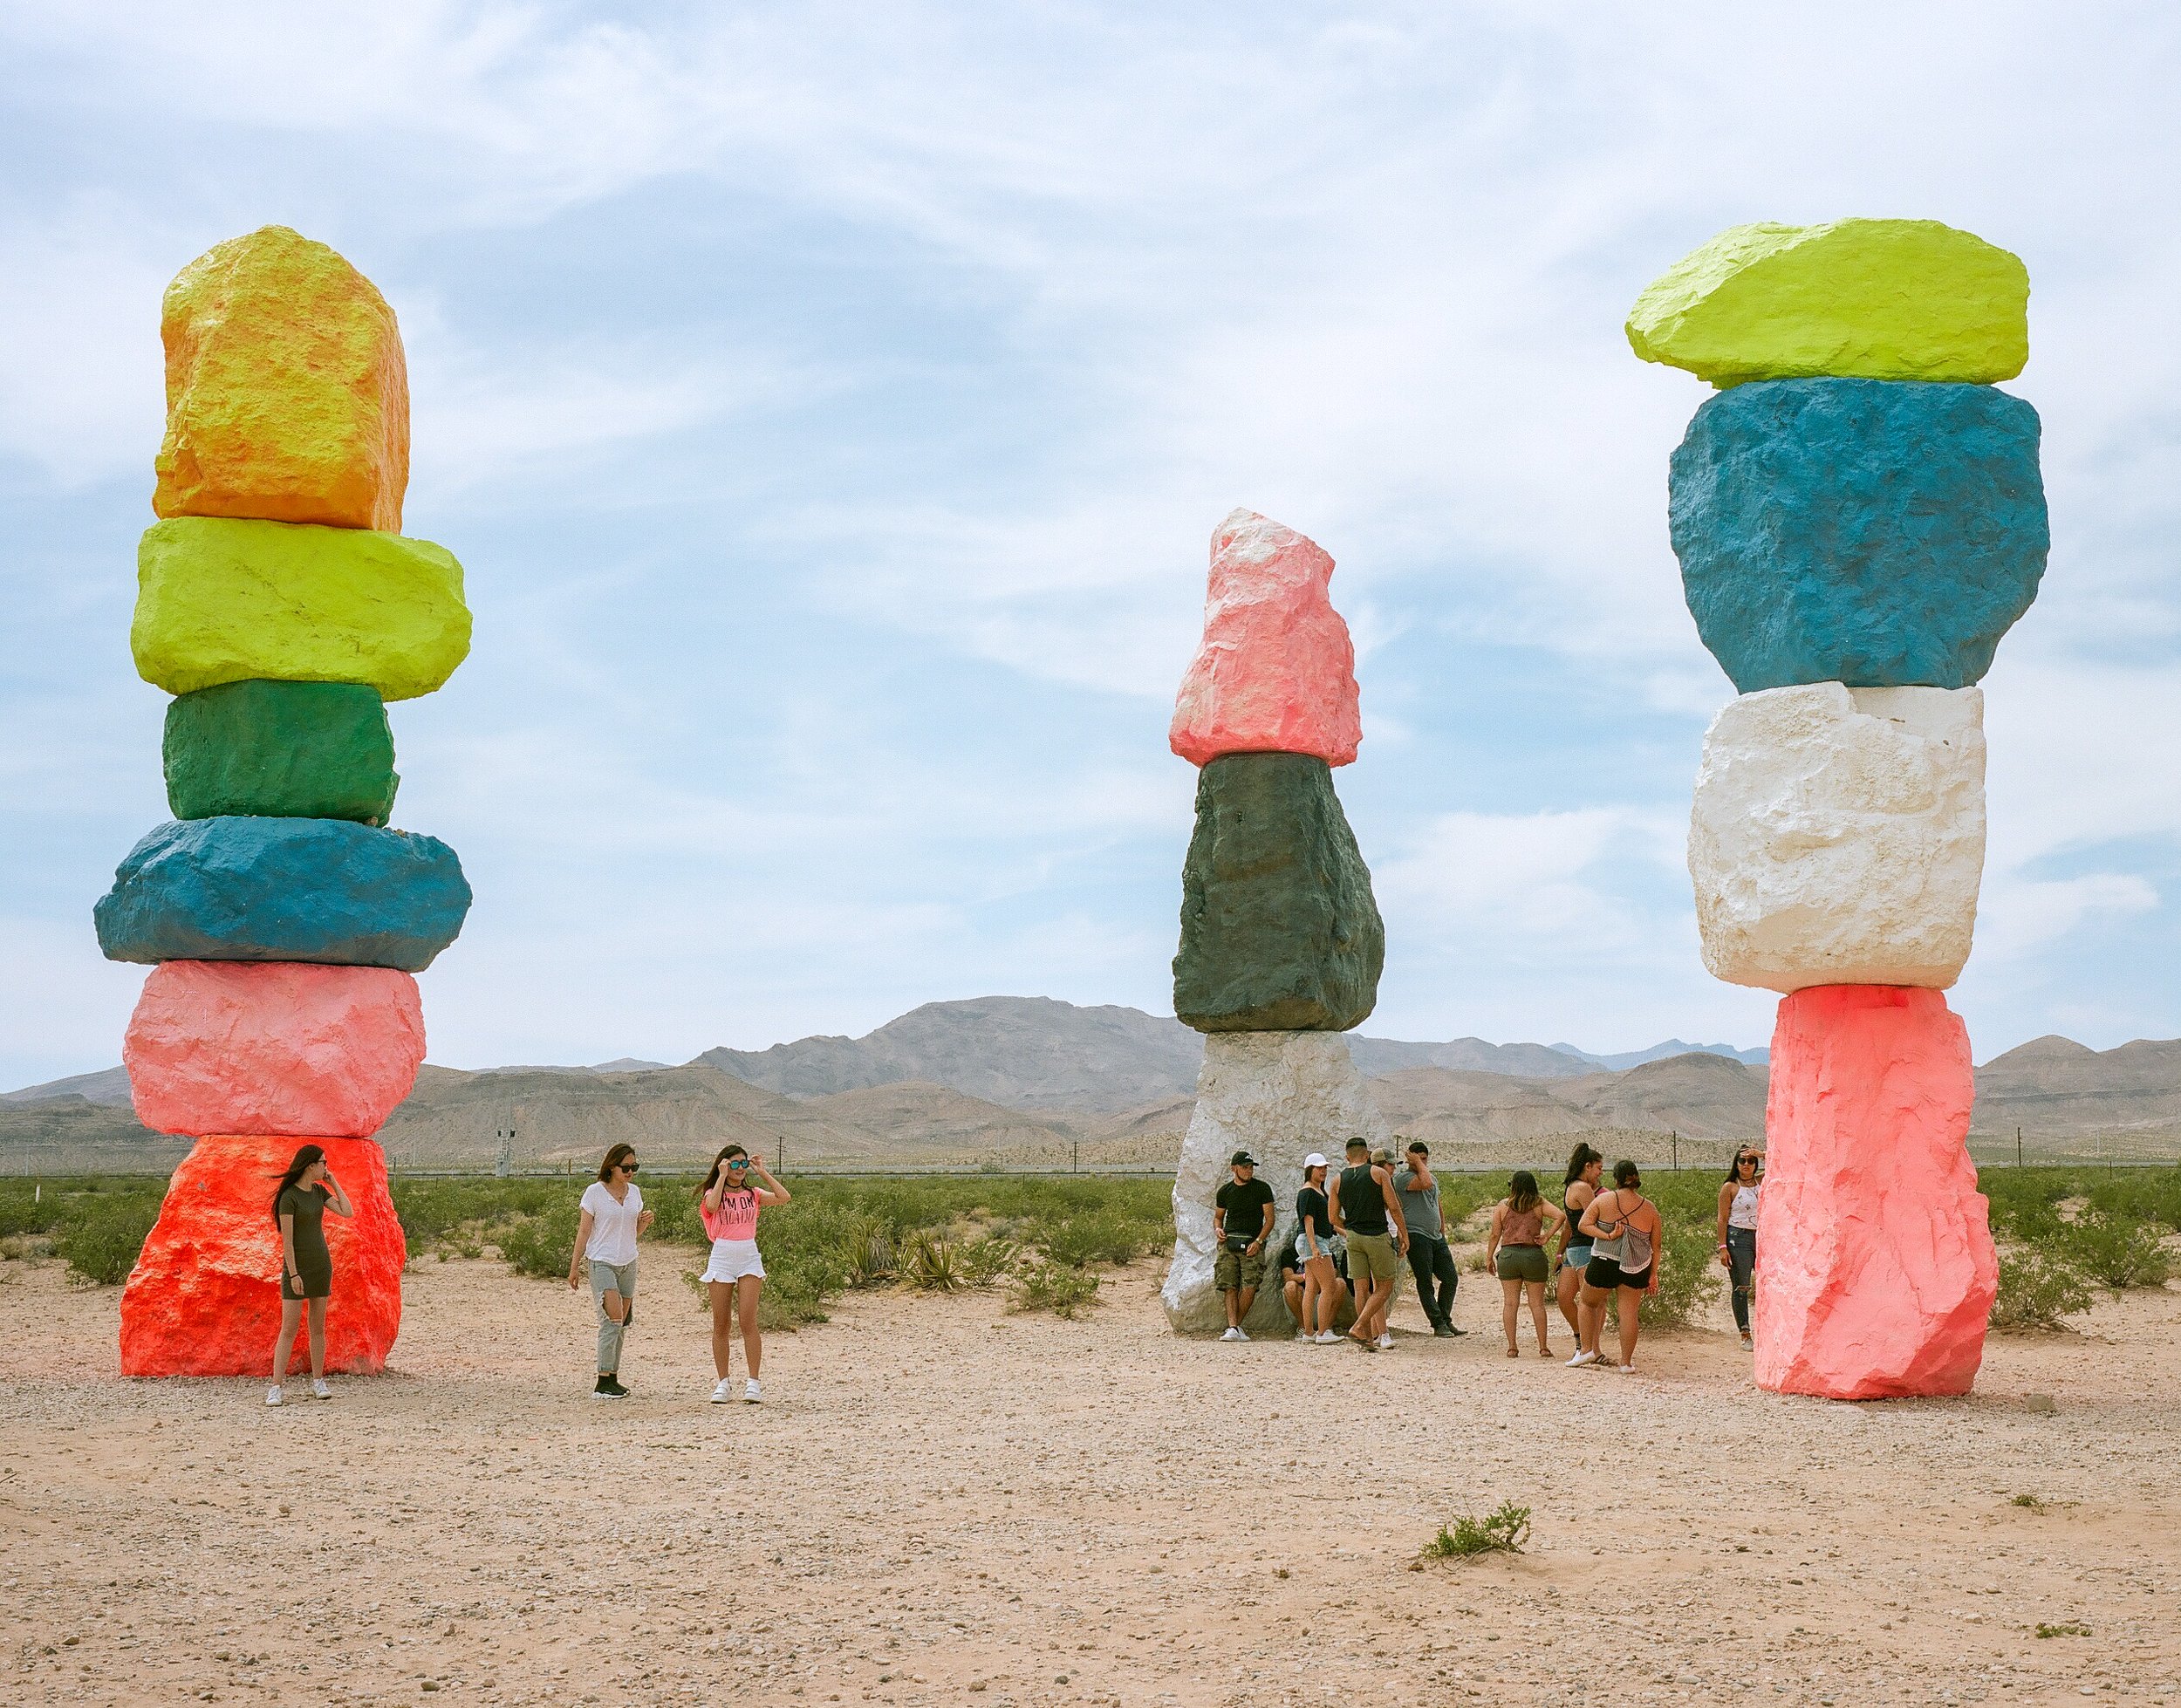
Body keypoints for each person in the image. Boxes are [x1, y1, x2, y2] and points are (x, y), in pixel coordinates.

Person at [700, 1144, 790, 1403]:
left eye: (743, 1164)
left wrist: (762, 1172)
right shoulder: (712, 1192)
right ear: (724, 1166)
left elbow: (784, 1197)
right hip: (722, 1255)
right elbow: (713, 1206)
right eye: (734, 1164)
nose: (740, 1169)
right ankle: (723, 1383)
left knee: (748, 1321)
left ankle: (754, 1382)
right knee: (721, 1324)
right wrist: (720, 1176)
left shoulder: (753, 1194)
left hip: (748, 1255)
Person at [267, 1144, 353, 1406]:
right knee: (289, 1329)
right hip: (296, 1269)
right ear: (311, 1165)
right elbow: (288, 1242)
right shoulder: (289, 1197)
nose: (327, 1167)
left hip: (320, 1266)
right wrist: (293, 1274)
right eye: (324, 1163)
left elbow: (347, 1211)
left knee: (318, 1329)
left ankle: (318, 1382)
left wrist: (334, 1182)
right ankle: (275, 1387)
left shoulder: (318, 1191)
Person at [567, 1143, 653, 1398]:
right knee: (611, 1320)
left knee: (622, 1323)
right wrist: (575, 1268)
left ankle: (613, 1378)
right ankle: (602, 1381)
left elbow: (632, 1234)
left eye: (634, 1167)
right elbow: (584, 1231)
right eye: (625, 1167)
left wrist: (644, 1224)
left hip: (628, 1262)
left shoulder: (635, 1193)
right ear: (611, 1166)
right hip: (602, 1262)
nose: (630, 1172)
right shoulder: (595, 1193)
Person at [1574, 1161, 1664, 1372]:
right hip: (1637, 1266)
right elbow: (1656, 1246)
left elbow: (1583, 1225)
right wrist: (1653, 1273)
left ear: (1616, 1179)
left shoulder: (1604, 1200)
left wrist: (1607, 1235)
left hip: (1604, 1260)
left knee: (1587, 1302)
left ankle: (1586, 1350)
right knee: (1629, 1313)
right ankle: (1626, 1363)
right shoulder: (1650, 1209)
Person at [1329, 1137, 1407, 1351]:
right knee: (1385, 1285)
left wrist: (1352, 1226)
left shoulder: (1337, 1180)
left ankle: (1366, 1339)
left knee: (1360, 1287)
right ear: (1367, 1155)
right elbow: (1394, 1207)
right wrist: (1404, 1233)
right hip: (1377, 1235)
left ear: (1347, 1156)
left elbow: (1333, 1218)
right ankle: (1360, 1326)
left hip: (1353, 1237)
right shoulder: (1378, 1173)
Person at [1484, 1170, 1567, 1359]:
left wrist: (1489, 1257)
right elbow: (1561, 1216)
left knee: (1510, 1303)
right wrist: (1547, 1236)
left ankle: (1512, 1347)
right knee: (1537, 1304)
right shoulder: (1539, 1204)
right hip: (1533, 1255)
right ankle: (1543, 1347)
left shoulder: (1503, 1206)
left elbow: (1495, 1234)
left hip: (1509, 1256)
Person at [1393, 1140, 1463, 1338]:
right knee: (1425, 1281)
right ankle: (1437, 1323)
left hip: (1435, 1236)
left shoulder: (1431, 1177)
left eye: (1425, 1159)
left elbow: (1436, 1202)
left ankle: (1445, 1319)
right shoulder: (1403, 1179)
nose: (1423, 1163)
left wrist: (1442, 1228)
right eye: (1419, 1159)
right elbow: (1425, 1183)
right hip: (1417, 1234)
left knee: (1450, 1278)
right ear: (1411, 1159)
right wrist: (1417, 1164)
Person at [1213, 1151, 1276, 1342]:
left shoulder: (1262, 1189)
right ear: (1234, 1169)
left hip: (1252, 1242)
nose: (1249, 1171)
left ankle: (1234, 1327)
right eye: (1245, 1167)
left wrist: (1258, 1241)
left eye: (1251, 1167)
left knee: (1250, 1286)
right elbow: (1218, 1218)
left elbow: (1270, 1220)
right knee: (1229, 1285)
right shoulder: (1225, 1191)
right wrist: (1218, 1230)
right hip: (1228, 1243)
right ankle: (1233, 1328)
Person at [1294, 1152, 1346, 1344]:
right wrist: (1314, 1247)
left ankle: (1309, 1333)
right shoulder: (1307, 1191)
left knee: (1312, 1288)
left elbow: (1326, 1221)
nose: (1323, 1171)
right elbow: (1308, 1220)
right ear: (1310, 1170)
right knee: (1329, 1285)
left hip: (1316, 1240)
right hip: (1313, 1241)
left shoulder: (1318, 1191)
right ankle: (1323, 1332)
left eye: (1325, 1168)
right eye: (1319, 1168)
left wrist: (1343, 1231)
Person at [1555, 1144, 1604, 1349]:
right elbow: (1594, 1220)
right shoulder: (1584, 1189)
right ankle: (1588, 1345)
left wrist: (1559, 1252)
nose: (1601, 1173)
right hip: (1585, 1248)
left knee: (1566, 1297)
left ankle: (1585, 1343)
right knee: (1591, 1301)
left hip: (1574, 1249)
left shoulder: (1571, 1187)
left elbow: (1569, 1224)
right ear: (1587, 1166)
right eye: (1598, 1168)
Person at [1717, 1147, 1762, 1349]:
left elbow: (1784, 1162)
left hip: (1761, 1237)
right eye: (1742, 1161)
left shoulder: (1761, 1181)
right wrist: (1722, 1246)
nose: (1746, 1165)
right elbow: (1722, 1218)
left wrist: (1762, 1154)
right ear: (1736, 1163)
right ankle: (1745, 1333)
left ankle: (1767, 1330)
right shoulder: (1730, 1187)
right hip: (1739, 1238)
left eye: (1751, 1161)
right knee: (1742, 1286)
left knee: (1767, 1285)